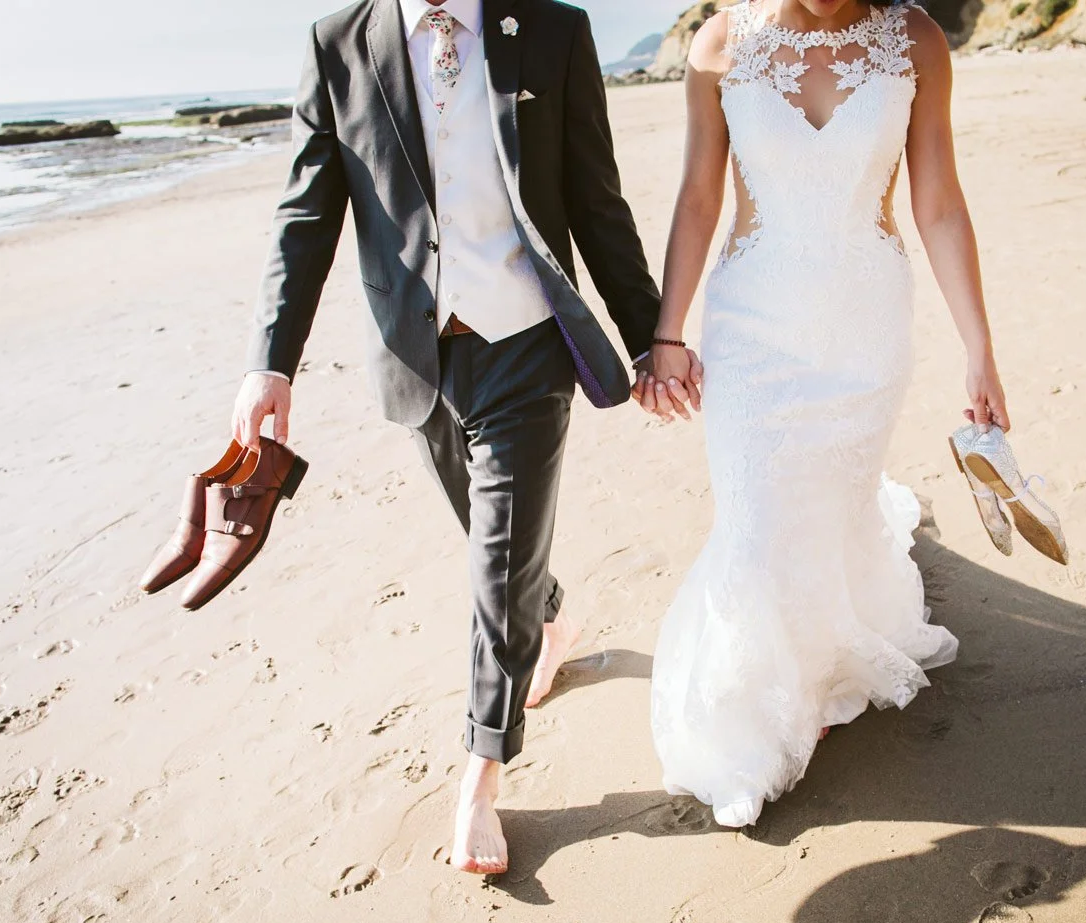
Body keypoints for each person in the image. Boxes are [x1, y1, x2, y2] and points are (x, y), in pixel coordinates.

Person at [230, 0, 698, 873]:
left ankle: (481, 772)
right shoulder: (337, 47)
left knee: (496, 562)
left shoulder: (554, 29)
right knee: (501, 549)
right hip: (417, 359)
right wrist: (271, 364)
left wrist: (649, 335)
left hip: (527, 343)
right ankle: (549, 616)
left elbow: (597, 201)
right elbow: (305, 216)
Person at [643, 0, 1009, 827]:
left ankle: (817, 663)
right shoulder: (720, 42)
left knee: (830, 508)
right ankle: (750, 725)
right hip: (751, 328)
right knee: (757, 520)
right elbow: (700, 196)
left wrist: (978, 348)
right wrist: (668, 332)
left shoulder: (914, 40)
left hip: (865, 326)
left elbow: (939, 200)